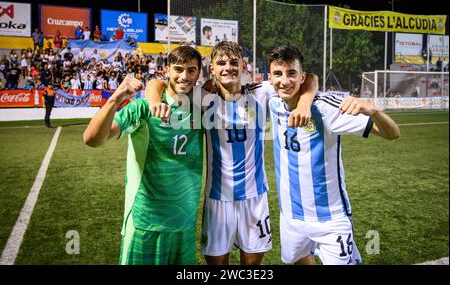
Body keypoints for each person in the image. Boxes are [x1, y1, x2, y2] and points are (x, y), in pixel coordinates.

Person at [145, 41, 317, 265]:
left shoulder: (262, 93)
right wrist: (154, 100)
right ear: (212, 69)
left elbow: (310, 78)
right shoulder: (202, 98)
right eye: (221, 63)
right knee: (217, 264)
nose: (228, 67)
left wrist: (304, 104)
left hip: (254, 197)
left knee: (252, 265)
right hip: (218, 198)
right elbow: (157, 83)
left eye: (234, 62)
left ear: (244, 66)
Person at [266, 45, 400, 265]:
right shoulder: (273, 103)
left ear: (302, 77)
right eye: (278, 74)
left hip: (331, 220)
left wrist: (374, 111)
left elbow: (392, 134)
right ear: (269, 78)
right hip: (291, 218)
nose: (285, 81)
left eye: (292, 73)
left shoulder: (326, 109)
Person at [83, 46, 204, 265]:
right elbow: (92, 139)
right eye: (178, 69)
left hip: (184, 225)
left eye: (191, 70)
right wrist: (114, 100)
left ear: (198, 74)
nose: (184, 76)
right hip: (145, 222)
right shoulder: (143, 107)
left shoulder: (202, 108)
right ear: (167, 70)